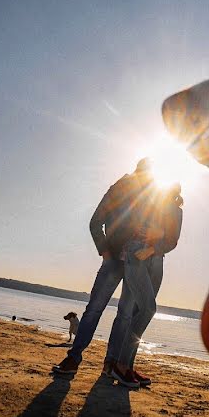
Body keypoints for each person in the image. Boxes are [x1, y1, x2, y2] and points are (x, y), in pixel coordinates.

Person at [51, 158, 154, 375]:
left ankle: (110, 365)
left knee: (125, 315)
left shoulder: (152, 198)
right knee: (94, 309)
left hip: (136, 264)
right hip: (114, 260)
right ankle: (73, 358)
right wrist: (105, 253)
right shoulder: (119, 189)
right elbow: (95, 221)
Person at [106, 184, 184, 386]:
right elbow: (131, 224)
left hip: (156, 260)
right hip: (136, 255)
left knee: (140, 312)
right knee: (148, 309)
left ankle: (128, 367)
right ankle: (120, 366)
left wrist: (154, 246)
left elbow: (173, 240)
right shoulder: (147, 200)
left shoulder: (176, 211)